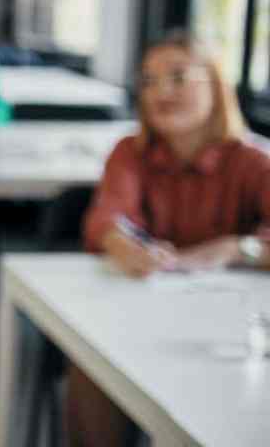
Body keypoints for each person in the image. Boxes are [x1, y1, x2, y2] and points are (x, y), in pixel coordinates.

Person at [68, 31, 270, 446]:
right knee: (92, 364)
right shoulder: (130, 152)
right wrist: (125, 247)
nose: (161, 91)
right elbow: (108, 217)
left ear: (215, 84)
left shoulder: (253, 161)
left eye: (178, 77)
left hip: (228, 328)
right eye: (148, 81)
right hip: (140, 318)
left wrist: (235, 247)